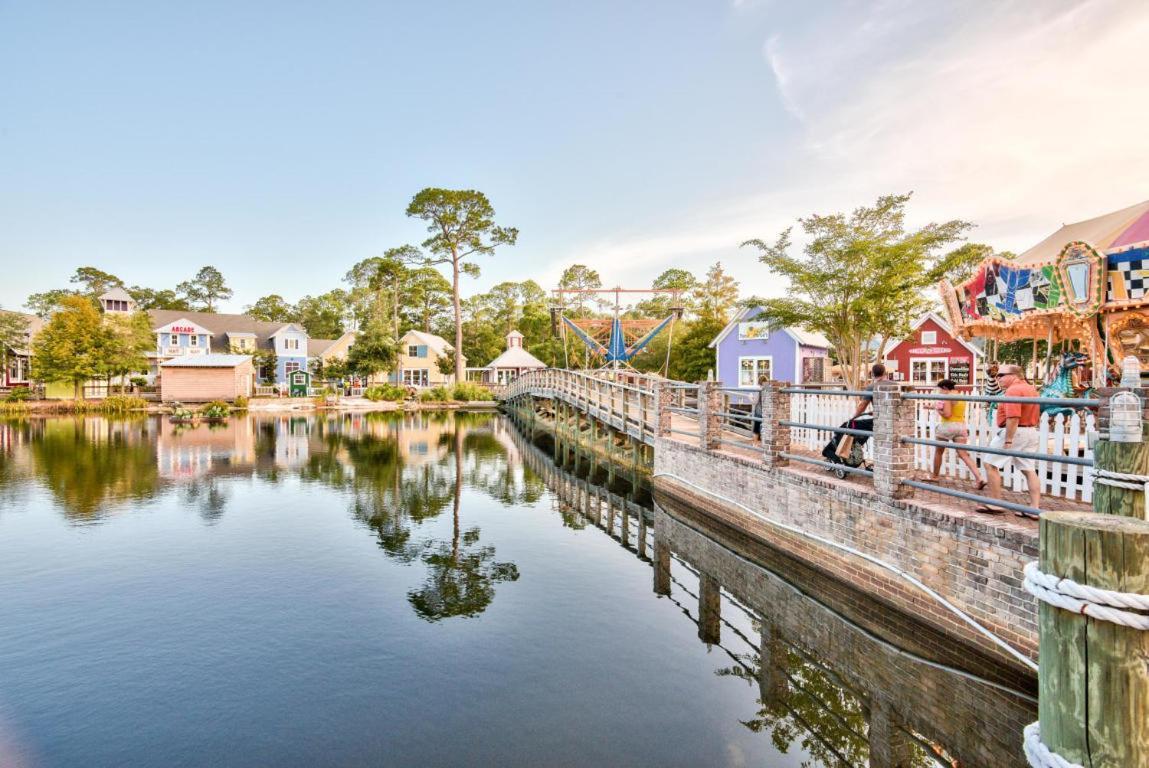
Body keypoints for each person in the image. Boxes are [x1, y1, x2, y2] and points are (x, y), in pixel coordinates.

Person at [976, 364, 1041, 515]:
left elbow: (1013, 417)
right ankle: (1034, 508)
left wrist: (1008, 440)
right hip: (1030, 431)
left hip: (1015, 431)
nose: (997, 378)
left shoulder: (1013, 390)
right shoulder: (1031, 389)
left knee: (990, 464)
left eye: (1001, 375)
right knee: (1029, 469)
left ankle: (995, 503)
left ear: (1014, 375)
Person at [931, 379, 984, 489]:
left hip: (947, 426)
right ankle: (979, 478)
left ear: (945, 388)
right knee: (964, 454)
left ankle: (935, 476)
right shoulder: (961, 396)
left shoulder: (947, 397)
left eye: (940, 390)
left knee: (939, 452)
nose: (940, 392)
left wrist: (937, 410)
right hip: (960, 427)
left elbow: (947, 414)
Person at [752, 375, 768, 439]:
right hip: (766, 412)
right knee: (764, 427)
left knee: (756, 428)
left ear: (759, 381)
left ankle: (755, 444)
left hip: (759, 411)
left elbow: (755, 402)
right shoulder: (768, 389)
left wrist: (750, 397)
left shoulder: (759, 389)